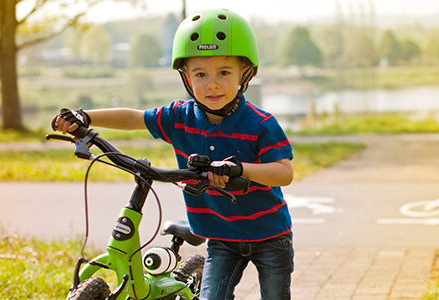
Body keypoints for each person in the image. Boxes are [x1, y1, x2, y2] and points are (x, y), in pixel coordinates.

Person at [53, 8, 294, 300]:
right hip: (221, 237)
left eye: (224, 72)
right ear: (186, 77)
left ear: (247, 73)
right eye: (200, 74)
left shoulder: (260, 123)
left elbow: (283, 172)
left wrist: (238, 169)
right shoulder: (180, 117)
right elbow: (134, 118)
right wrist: (86, 116)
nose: (212, 83)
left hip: (269, 235)